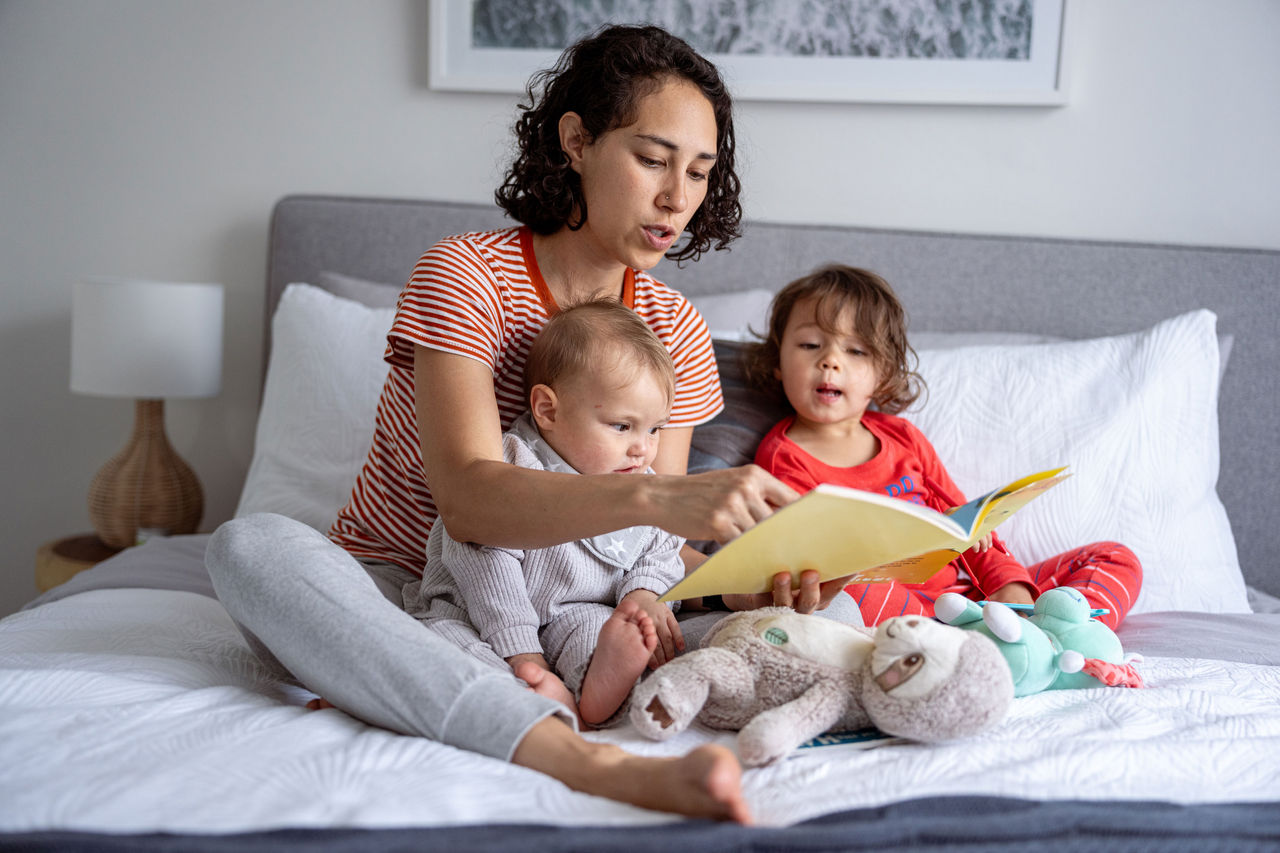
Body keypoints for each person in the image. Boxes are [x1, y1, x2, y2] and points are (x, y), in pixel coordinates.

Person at [207, 24, 832, 824]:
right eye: (652, 159)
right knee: (248, 546)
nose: (678, 197)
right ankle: (579, 757)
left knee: (798, 629)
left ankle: (435, 690)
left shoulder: (674, 327)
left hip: (585, 609)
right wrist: (657, 500)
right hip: (399, 592)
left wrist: (748, 577)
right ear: (577, 140)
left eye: (700, 172)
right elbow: (468, 502)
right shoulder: (464, 273)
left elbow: (650, 537)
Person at [745, 264, 1143, 631]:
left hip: (964, 599)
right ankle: (992, 643)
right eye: (811, 345)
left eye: (856, 350)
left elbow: (973, 528)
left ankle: (1055, 631)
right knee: (847, 589)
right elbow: (809, 565)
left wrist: (1009, 587)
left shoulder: (903, 438)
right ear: (778, 361)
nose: (831, 361)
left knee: (1116, 558)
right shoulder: (781, 459)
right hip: (891, 607)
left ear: (883, 373)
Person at [404, 300, 688, 727]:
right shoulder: (511, 467)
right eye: (621, 425)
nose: (642, 448)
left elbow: (663, 547)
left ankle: (595, 687)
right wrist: (524, 655)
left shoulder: (640, 480)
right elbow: (487, 572)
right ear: (548, 410)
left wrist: (642, 594)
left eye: (654, 429)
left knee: (607, 631)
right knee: (437, 642)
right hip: (476, 613)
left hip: (574, 613)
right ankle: (526, 689)